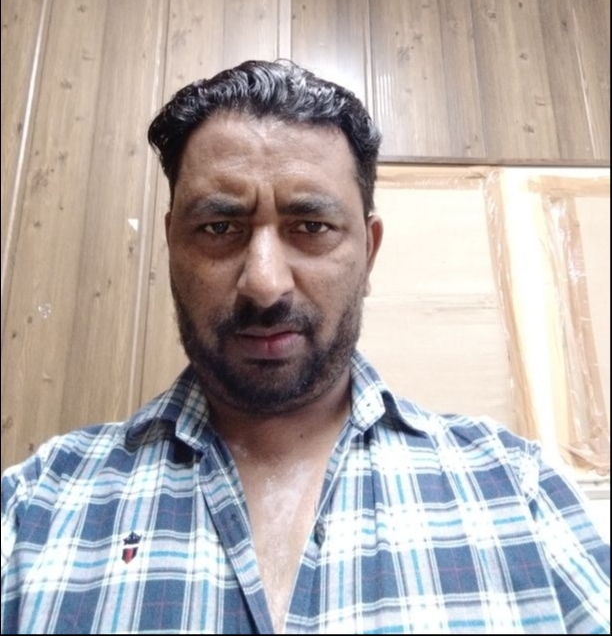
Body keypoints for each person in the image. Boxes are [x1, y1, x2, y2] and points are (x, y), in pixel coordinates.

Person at [1, 60, 609, 635]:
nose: (265, 283)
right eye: (219, 228)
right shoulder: (36, 509)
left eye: (312, 227)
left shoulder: (515, 489)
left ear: (369, 251)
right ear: (171, 246)